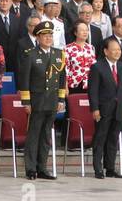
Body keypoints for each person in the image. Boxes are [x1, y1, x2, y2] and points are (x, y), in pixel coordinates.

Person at [19, 22, 65, 180]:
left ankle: (42, 167)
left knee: (46, 136)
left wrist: (61, 99)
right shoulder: (30, 54)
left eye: (50, 35)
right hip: (37, 101)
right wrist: (26, 102)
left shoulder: (59, 54)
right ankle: (31, 168)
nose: (48, 38)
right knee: (34, 135)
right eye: (44, 36)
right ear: (37, 37)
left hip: (52, 101)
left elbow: (62, 79)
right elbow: (24, 80)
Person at [87, 38, 122, 179]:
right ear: (106, 51)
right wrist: (95, 109)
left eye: (119, 50)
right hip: (103, 109)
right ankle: (98, 168)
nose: (117, 52)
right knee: (100, 138)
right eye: (114, 50)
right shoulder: (97, 67)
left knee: (113, 138)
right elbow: (92, 90)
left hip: (119, 109)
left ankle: (110, 168)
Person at [63, 21, 96, 94]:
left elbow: (94, 67)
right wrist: (65, 87)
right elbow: (65, 69)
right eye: (82, 30)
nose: (85, 32)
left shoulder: (91, 48)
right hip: (74, 84)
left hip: (89, 84)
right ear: (75, 33)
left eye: (86, 30)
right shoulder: (67, 48)